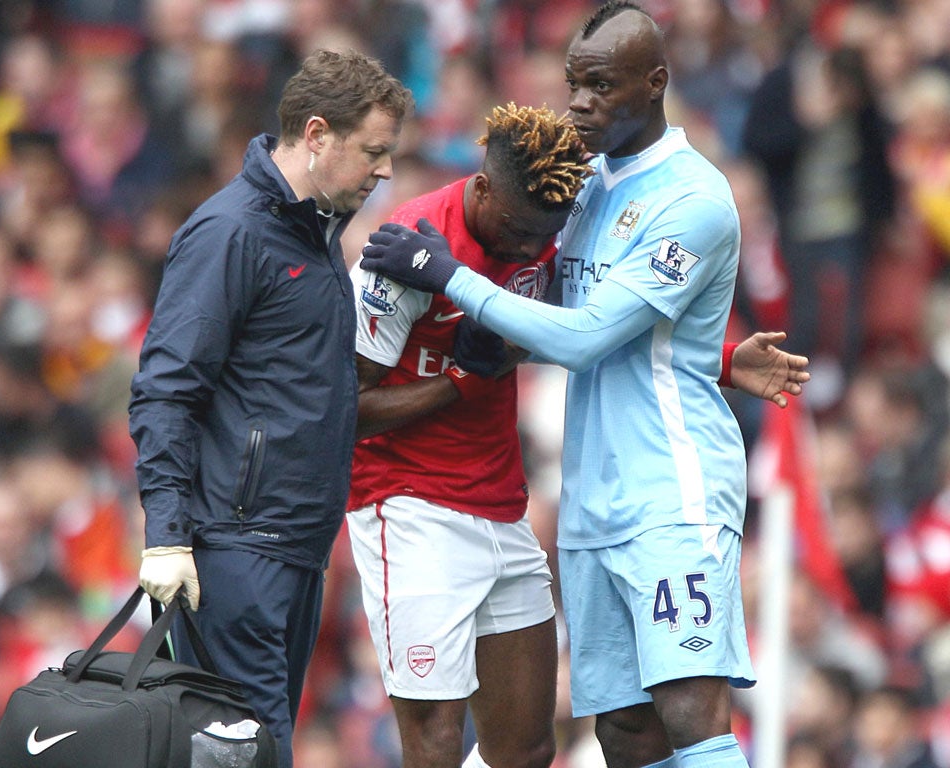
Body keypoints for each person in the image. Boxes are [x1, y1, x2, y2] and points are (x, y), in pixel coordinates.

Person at [358, 3, 767, 767]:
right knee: (622, 730)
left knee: (688, 708)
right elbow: (580, 318)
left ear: (655, 83)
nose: (578, 102)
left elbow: (583, 340)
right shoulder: (577, 191)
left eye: (601, 86)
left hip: (671, 492)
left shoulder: (694, 201)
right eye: (573, 82)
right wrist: (716, 354)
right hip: (588, 500)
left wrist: (447, 276)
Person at [128, 48, 413, 768]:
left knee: (239, 755)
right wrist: (166, 533)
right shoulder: (233, 232)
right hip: (236, 548)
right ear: (317, 135)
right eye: (374, 152)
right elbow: (166, 387)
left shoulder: (313, 232)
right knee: (256, 755)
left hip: (293, 549)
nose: (386, 172)